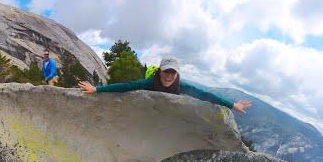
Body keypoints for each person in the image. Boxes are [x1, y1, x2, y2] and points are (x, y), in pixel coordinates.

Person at [78, 56, 252, 113]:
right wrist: (97, 89)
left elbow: (207, 95)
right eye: (166, 71)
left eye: (172, 72)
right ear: (160, 71)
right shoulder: (150, 82)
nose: (169, 76)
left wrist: (232, 105)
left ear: (176, 73)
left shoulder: (181, 86)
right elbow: (127, 86)